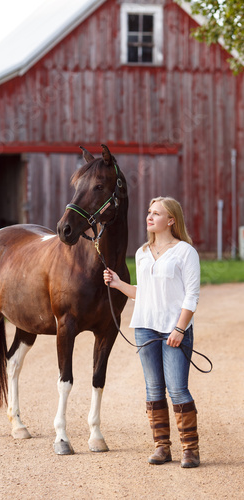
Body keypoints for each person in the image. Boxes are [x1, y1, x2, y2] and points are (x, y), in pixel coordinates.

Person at [103, 196, 200, 468]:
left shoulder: (185, 252)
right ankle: (162, 447)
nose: (150, 216)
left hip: (174, 330)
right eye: (149, 212)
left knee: (178, 389)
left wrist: (180, 328)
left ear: (171, 220)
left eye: (156, 213)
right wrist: (119, 284)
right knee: (154, 388)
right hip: (145, 328)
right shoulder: (143, 252)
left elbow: (192, 295)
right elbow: (144, 294)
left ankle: (190, 450)